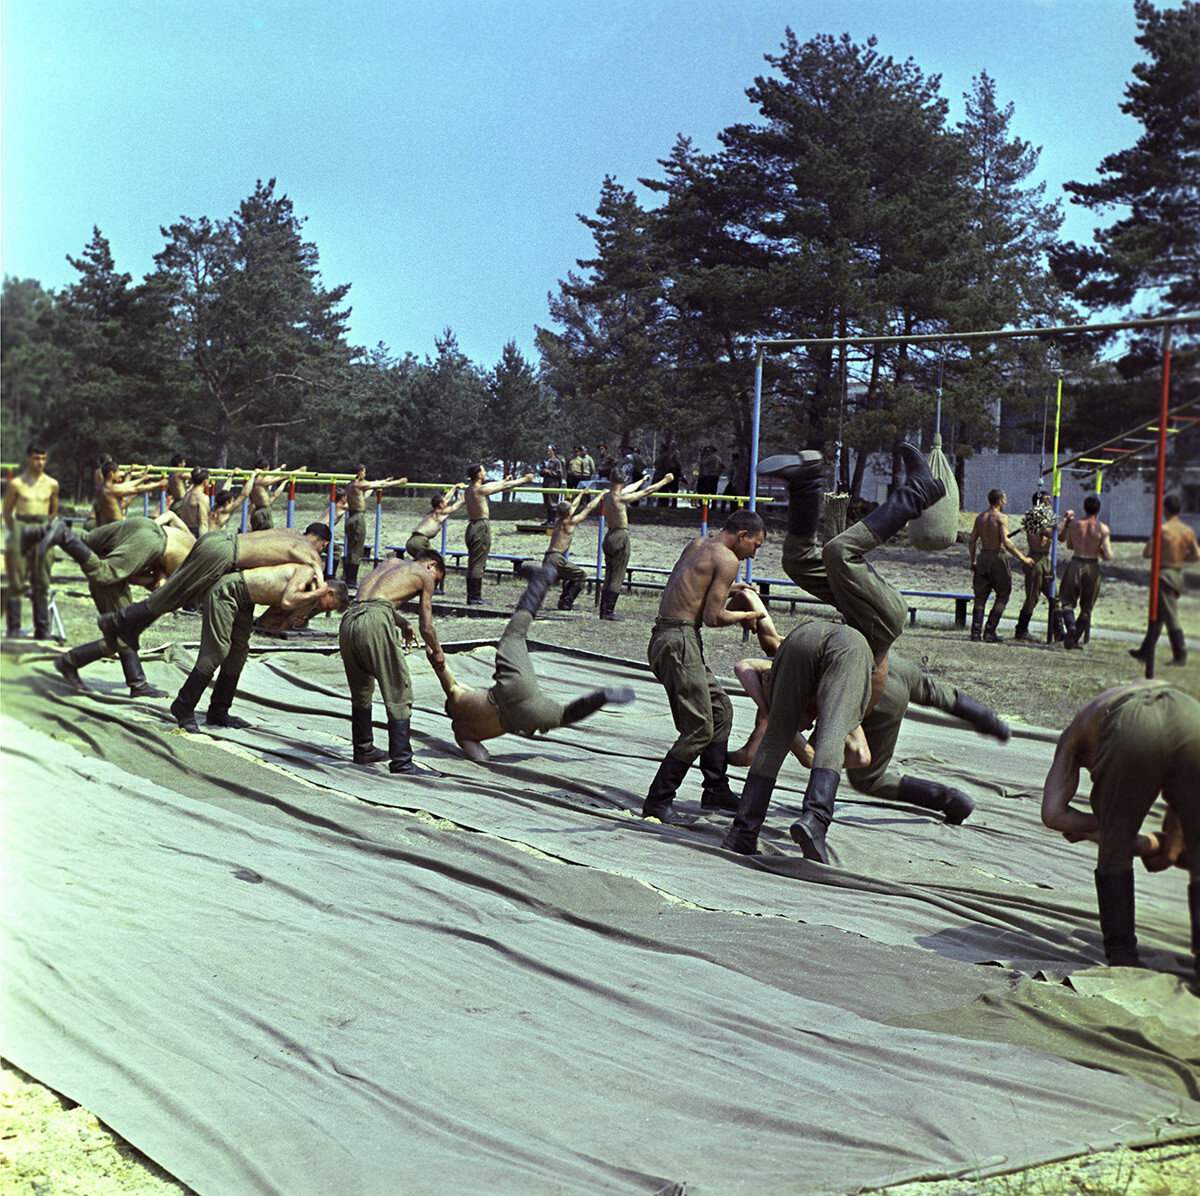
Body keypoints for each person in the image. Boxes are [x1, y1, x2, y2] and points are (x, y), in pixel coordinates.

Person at [1040, 681, 1199, 982]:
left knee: (1115, 854)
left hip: (1133, 721)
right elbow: (1166, 854)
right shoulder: (1104, 712)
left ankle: (1122, 955)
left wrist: (1100, 829)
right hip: (1191, 714)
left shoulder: (1075, 735)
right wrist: (1139, 840)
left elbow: (1052, 814)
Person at [428, 565, 635, 762]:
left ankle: (601, 698)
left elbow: (481, 756)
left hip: (525, 717)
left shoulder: (461, 733)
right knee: (514, 635)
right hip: (510, 690)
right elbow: (443, 670)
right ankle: (539, 582)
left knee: (565, 715)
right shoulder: (456, 697)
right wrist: (432, 649)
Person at [642, 509, 766, 824]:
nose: (754, 553)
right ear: (742, 536)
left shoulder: (699, 544)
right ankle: (658, 801)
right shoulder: (728, 559)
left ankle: (716, 790)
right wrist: (749, 616)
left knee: (721, 710)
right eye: (756, 545)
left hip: (666, 637)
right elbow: (713, 618)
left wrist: (733, 590)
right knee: (699, 727)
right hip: (680, 642)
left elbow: (692, 585)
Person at [93, 522, 334, 652]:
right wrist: (319, 592)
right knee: (171, 595)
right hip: (224, 553)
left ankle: (122, 623)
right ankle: (116, 621)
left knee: (175, 591)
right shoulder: (312, 555)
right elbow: (321, 590)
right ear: (323, 544)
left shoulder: (289, 533)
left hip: (219, 540)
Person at [171, 564, 348, 732]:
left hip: (246, 602)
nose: (324, 611)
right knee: (217, 650)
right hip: (229, 591)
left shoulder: (310, 598)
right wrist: (300, 606)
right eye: (329, 606)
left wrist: (288, 621)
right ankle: (183, 706)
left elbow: (266, 624)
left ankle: (219, 711)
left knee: (238, 656)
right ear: (329, 592)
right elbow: (287, 601)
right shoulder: (307, 575)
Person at [49, 512, 196, 695]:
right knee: (122, 630)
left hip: (146, 527)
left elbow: (171, 515)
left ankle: (50, 527)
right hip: (147, 544)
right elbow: (159, 587)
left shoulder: (197, 542)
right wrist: (140, 566)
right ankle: (71, 662)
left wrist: (137, 542)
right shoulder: (194, 576)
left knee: (87, 538)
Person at [339, 551, 446, 774]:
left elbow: (372, 600)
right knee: (399, 687)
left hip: (349, 620)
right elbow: (426, 626)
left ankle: (363, 748)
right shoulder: (423, 574)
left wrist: (403, 623)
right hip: (376, 621)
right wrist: (437, 651)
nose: (433, 584)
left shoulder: (389, 563)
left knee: (361, 688)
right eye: (437, 578)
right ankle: (402, 762)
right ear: (432, 565)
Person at [1130, 494, 1199, 668]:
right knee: (1159, 615)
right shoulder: (1188, 531)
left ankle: (1180, 654)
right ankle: (1145, 651)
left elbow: (1147, 553)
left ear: (1165, 509)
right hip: (1177, 574)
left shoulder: (1163, 529)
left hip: (1164, 575)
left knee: (1170, 615)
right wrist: (1181, 558)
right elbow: (1196, 555)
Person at [598, 467, 675, 620]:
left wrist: (641, 481)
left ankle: (603, 609)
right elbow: (647, 492)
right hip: (620, 535)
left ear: (611, 480)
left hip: (609, 535)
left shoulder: (607, 497)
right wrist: (665, 481)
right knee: (617, 575)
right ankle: (608, 612)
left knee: (609, 573)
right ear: (624, 479)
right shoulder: (621, 499)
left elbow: (627, 489)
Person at [4, 440, 60, 639]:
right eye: (36, 458)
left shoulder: (52, 484)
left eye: (43, 458)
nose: (40, 462)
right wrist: (17, 531)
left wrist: (42, 528)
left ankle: (42, 630)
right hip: (21, 527)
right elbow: (7, 511)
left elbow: (53, 511)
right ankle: (14, 629)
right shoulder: (17, 484)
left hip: (42, 528)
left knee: (41, 582)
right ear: (28, 458)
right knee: (16, 582)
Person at [967, 489, 1034, 643]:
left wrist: (973, 561)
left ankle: (975, 632)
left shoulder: (980, 518)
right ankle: (990, 631)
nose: (1005, 502)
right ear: (999, 501)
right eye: (1004, 500)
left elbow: (972, 540)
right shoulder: (1002, 518)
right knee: (1003, 594)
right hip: (997, 557)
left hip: (982, 557)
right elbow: (1007, 541)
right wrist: (1023, 558)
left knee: (980, 597)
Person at [463, 463, 534, 606]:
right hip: (481, 526)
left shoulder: (469, 489)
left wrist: (504, 480)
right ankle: (475, 597)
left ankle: (472, 596)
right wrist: (524, 480)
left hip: (471, 526)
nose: (486, 473)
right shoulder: (480, 490)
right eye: (484, 471)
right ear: (479, 476)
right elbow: (503, 487)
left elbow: (496, 484)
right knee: (478, 563)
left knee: (472, 562)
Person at [1058, 495, 1112, 650]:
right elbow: (1108, 556)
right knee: (1087, 607)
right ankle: (1075, 638)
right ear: (1098, 509)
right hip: (1092, 566)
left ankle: (1071, 628)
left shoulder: (1075, 524)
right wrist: (1099, 550)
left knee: (1067, 602)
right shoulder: (1103, 528)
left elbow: (1069, 545)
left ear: (1084, 508)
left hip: (1076, 563)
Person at [342, 464, 407, 586]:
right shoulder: (358, 484)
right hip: (358, 518)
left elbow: (373, 485)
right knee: (357, 550)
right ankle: (351, 580)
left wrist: (384, 480)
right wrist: (399, 481)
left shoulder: (350, 485)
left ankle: (348, 577)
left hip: (351, 517)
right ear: (360, 473)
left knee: (351, 548)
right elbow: (380, 485)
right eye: (364, 472)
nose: (365, 475)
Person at [542, 490, 604, 611]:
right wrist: (601, 495)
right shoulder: (570, 522)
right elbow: (589, 508)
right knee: (582, 576)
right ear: (569, 512)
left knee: (575, 576)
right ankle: (567, 602)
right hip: (557, 559)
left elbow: (573, 506)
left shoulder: (559, 520)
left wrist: (581, 494)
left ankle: (563, 601)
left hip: (549, 557)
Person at [1014, 491, 1063, 642]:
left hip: (1046, 560)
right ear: (1039, 502)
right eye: (1047, 499)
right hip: (1035, 559)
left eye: (1050, 499)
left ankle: (1059, 632)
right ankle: (1021, 630)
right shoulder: (1035, 515)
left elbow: (1060, 537)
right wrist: (1064, 522)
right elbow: (1049, 532)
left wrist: (1066, 527)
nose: (1050, 502)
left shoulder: (1048, 517)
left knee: (1055, 596)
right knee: (1032, 598)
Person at [93, 462, 164, 526]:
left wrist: (143, 478)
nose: (119, 476)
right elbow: (137, 489)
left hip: (108, 524)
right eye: (117, 473)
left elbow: (126, 485)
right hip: (117, 526)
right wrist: (159, 483)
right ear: (111, 474)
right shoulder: (112, 490)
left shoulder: (101, 489)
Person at [406, 486, 466, 559]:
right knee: (439, 560)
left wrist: (455, 487)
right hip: (420, 541)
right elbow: (457, 504)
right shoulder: (441, 513)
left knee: (422, 563)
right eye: (444, 503)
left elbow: (445, 499)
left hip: (410, 542)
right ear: (440, 505)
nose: (446, 504)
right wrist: (468, 491)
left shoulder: (433, 512)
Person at [248, 459, 306, 531]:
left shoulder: (253, 479)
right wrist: (298, 471)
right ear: (265, 469)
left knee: (255, 532)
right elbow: (281, 478)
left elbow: (271, 474)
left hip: (256, 510)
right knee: (267, 533)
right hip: (264, 511)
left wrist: (280, 468)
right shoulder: (262, 481)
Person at [539, 445, 564, 523]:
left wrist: (548, 472)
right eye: (547, 451)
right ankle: (548, 519)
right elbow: (541, 472)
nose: (548, 452)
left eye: (550, 450)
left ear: (554, 451)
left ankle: (552, 520)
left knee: (552, 502)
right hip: (546, 483)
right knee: (547, 502)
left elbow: (559, 473)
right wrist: (542, 472)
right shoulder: (546, 461)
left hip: (553, 484)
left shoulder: (557, 461)